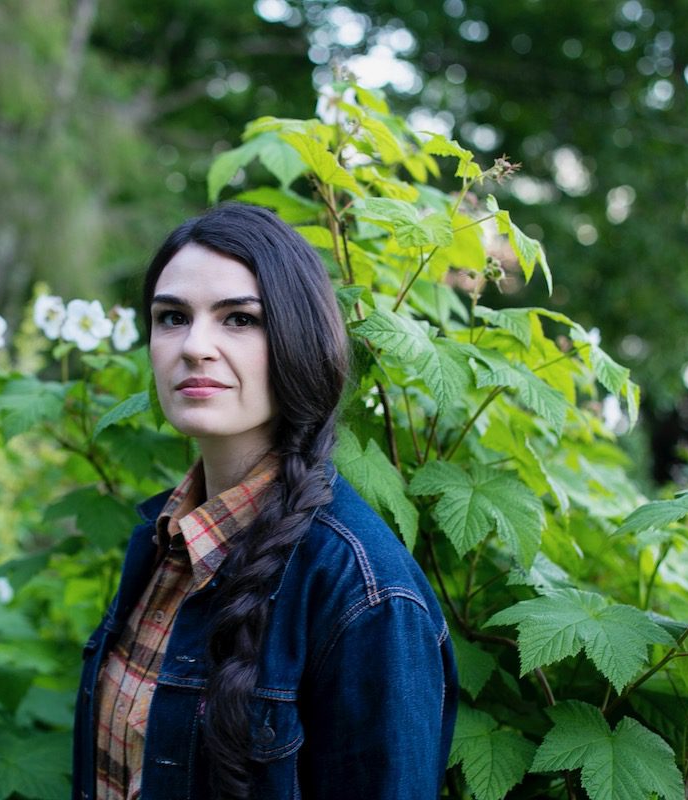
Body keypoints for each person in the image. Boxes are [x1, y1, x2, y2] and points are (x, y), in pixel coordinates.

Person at [72, 203, 458, 800]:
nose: (195, 346)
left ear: (299, 339)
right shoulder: (161, 540)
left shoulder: (366, 593)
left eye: (239, 320)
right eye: (172, 317)